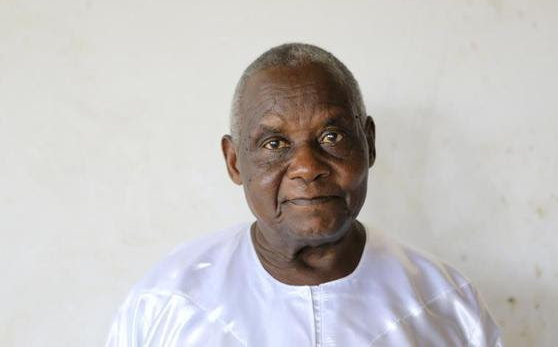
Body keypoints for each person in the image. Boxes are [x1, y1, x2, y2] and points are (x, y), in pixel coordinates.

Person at [106, 43, 503, 346]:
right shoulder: (168, 303)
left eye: (332, 137)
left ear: (368, 144)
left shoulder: (446, 303)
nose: (307, 167)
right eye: (275, 143)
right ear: (234, 162)